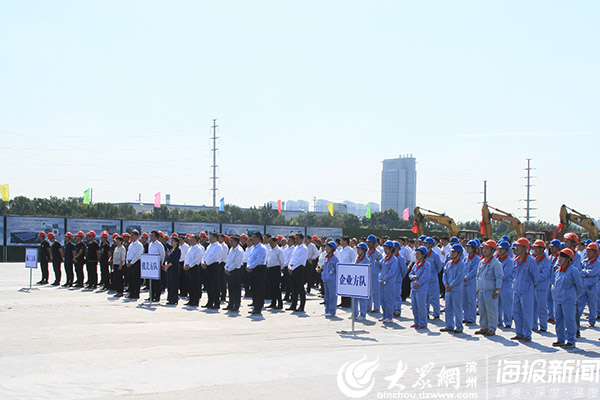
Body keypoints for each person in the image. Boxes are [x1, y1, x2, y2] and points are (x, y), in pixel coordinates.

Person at [551, 248, 583, 348]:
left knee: (570, 320)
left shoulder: (574, 271)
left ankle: (571, 340)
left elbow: (579, 286)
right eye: (560, 256)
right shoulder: (558, 272)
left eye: (563, 257)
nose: (559, 259)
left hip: (568, 300)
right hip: (558, 300)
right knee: (559, 320)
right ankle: (560, 339)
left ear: (568, 259)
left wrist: (574, 295)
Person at [511, 238, 540, 342]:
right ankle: (519, 333)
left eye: (519, 247)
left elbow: (536, 276)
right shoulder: (516, 260)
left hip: (526, 291)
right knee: (516, 312)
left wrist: (531, 286)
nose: (516, 248)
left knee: (527, 313)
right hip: (516, 289)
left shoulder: (530, 261)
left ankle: (527, 334)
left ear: (525, 249)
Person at [474, 240, 503, 336]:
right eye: (484, 248)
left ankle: (492, 328)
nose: (485, 251)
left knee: (491, 310)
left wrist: (497, 290)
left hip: (490, 291)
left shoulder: (496, 263)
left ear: (492, 250)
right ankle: (483, 327)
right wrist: (478, 287)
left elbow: (499, 277)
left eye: (487, 249)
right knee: (482, 310)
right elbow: (478, 276)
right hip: (482, 290)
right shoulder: (482, 262)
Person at [440, 244, 466, 333]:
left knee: (457, 308)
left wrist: (451, 285)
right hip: (448, 289)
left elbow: (459, 277)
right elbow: (445, 274)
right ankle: (449, 325)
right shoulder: (449, 263)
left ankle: (459, 326)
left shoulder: (461, 264)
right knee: (448, 308)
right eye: (451, 252)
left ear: (459, 253)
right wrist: (446, 284)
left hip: (456, 290)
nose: (451, 253)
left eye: (453, 252)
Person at [577, 242, 600, 332]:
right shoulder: (585, 261)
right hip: (584, 286)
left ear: (595, 252)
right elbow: (580, 271)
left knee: (592, 304)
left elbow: (593, 272)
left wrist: (584, 272)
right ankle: (577, 319)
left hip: (592, 286)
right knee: (580, 303)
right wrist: (585, 272)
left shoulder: (597, 263)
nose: (588, 253)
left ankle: (592, 321)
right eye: (587, 251)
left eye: (590, 251)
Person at [532, 240, 552, 333]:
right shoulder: (534, 259)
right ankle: (534, 326)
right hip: (533, 287)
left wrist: (535, 279)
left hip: (542, 287)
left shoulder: (546, 261)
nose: (535, 250)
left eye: (537, 248)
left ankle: (543, 326)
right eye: (534, 248)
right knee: (533, 308)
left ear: (542, 249)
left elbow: (544, 274)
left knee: (542, 307)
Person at [409, 246, 431, 329]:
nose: (416, 255)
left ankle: (423, 323)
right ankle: (416, 322)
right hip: (414, 288)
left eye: (418, 254)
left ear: (423, 255)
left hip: (421, 288)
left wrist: (418, 283)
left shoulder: (426, 265)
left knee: (421, 305)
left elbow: (425, 277)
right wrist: (412, 277)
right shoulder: (416, 264)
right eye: (416, 254)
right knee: (414, 306)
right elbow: (410, 273)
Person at [246, 232, 267, 315]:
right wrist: (248, 266)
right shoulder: (254, 248)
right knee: (254, 288)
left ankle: (258, 307)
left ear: (259, 238)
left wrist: (250, 266)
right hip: (252, 269)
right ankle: (255, 306)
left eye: (254, 237)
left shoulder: (262, 248)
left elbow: (258, 260)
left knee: (259, 289)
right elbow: (250, 258)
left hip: (259, 269)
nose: (252, 239)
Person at [379, 241, 399, 324]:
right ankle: (384, 315)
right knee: (382, 299)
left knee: (389, 299)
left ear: (391, 249)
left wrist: (385, 278)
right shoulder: (384, 258)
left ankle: (389, 316)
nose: (385, 250)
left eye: (387, 248)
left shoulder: (394, 259)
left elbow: (392, 271)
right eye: (384, 248)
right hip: (382, 281)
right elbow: (380, 267)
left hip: (389, 282)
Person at [288, 233, 308, 312]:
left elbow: (300, 261)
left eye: (298, 239)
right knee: (293, 288)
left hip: (299, 268)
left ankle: (302, 306)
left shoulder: (304, 248)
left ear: (302, 239)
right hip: (292, 268)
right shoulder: (295, 247)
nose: (296, 240)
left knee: (300, 288)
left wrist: (292, 268)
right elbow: (292, 258)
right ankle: (293, 305)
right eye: (295, 239)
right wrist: (289, 267)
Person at [496, 240, 514, 329]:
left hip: (506, 285)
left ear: (506, 250)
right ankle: (498, 321)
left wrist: (496, 277)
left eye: (502, 249)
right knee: (497, 304)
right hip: (497, 285)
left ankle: (508, 321)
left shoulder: (509, 261)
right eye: (499, 249)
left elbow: (505, 274)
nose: (499, 251)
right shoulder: (497, 259)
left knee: (507, 304)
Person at [183, 235, 205, 307]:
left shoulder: (198, 249)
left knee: (195, 285)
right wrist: (185, 264)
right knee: (189, 285)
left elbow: (197, 259)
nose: (191, 241)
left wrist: (190, 265)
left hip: (194, 268)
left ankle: (195, 301)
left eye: (192, 239)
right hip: (188, 268)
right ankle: (191, 299)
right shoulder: (190, 248)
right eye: (190, 239)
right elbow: (187, 257)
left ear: (196, 240)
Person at [423, 237, 442, 320]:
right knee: (425, 298)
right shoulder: (423, 255)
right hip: (425, 280)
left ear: (431, 245)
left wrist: (433, 274)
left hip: (433, 280)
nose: (425, 245)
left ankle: (436, 313)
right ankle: (426, 313)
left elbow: (439, 267)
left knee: (434, 297)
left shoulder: (435, 255)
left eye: (426, 244)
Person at [224, 236, 244, 312]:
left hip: (236, 271)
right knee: (231, 288)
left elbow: (236, 263)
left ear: (236, 241)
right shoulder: (231, 249)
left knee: (236, 289)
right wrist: (226, 268)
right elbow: (228, 259)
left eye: (232, 241)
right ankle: (231, 304)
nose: (230, 242)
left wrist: (229, 269)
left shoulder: (239, 250)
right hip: (229, 270)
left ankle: (236, 305)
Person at [462, 240, 481, 324]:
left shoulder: (477, 259)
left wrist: (467, 277)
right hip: (464, 282)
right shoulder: (466, 258)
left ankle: (471, 318)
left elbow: (474, 271)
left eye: (469, 247)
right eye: (466, 247)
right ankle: (466, 317)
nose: (467, 249)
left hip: (471, 282)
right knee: (464, 300)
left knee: (471, 300)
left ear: (473, 249)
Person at [202, 233, 222, 309]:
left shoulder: (218, 246)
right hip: (207, 266)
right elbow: (205, 255)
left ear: (215, 238)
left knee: (214, 285)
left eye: (211, 237)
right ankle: (210, 301)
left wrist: (207, 263)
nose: (209, 238)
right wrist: (203, 262)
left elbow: (215, 257)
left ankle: (216, 303)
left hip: (213, 266)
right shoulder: (209, 246)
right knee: (208, 285)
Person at [266, 237, 285, 309]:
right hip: (270, 269)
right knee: (271, 287)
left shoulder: (279, 250)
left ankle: (280, 303)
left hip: (276, 269)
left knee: (276, 287)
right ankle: (273, 302)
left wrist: (280, 269)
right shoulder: (270, 250)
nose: (270, 244)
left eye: (271, 243)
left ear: (275, 242)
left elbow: (282, 261)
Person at [162, 237, 181, 305]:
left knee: (174, 284)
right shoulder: (171, 249)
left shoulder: (177, 250)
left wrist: (168, 265)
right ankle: (170, 298)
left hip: (174, 268)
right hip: (169, 269)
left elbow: (175, 259)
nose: (171, 242)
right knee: (169, 284)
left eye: (173, 241)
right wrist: (166, 264)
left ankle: (174, 299)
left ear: (176, 242)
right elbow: (168, 258)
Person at [366, 235, 382, 314]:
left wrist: (377, 260)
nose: (369, 244)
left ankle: (376, 308)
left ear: (375, 243)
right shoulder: (366, 252)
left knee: (376, 292)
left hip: (375, 275)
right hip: (367, 275)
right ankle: (368, 307)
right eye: (368, 242)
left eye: (370, 242)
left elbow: (381, 266)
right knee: (368, 292)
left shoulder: (378, 253)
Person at [353, 242, 370, 320]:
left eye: (359, 249)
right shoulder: (357, 259)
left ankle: (363, 314)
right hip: (356, 281)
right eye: (357, 249)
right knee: (355, 298)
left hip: (363, 282)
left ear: (364, 250)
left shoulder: (366, 260)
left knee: (362, 299)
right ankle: (354, 313)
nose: (358, 251)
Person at [125, 230, 143, 299]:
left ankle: (136, 294)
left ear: (136, 236)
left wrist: (132, 263)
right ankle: (131, 293)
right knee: (130, 279)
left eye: (132, 235)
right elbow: (128, 253)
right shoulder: (131, 245)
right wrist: (127, 262)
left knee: (136, 279)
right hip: (129, 263)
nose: (131, 237)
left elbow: (138, 255)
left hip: (136, 263)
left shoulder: (139, 245)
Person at [547, 239, 562, 323]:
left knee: (555, 300)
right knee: (548, 300)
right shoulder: (550, 257)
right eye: (552, 247)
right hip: (549, 281)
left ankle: (556, 315)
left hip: (556, 281)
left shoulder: (560, 258)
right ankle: (551, 315)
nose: (552, 249)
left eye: (554, 247)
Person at [148, 231, 166, 302]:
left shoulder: (159, 245)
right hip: (151, 265)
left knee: (157, 282)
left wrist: (160, 263)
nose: (151, 237)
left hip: (157, 264)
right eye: (150, 236)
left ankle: (157, 297)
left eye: (152, 236)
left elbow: (162, 255)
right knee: (151, 281)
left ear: (156, 237)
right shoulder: (150, 244)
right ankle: (151, 296)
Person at [392, 241, 408, 318]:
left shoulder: (400, 258)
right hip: (390, 280)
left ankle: (397, 309)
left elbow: (404, 270)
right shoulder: (389, 258)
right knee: (390, 296)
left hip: (397, 280)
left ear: (398, 249)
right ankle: (391, 309)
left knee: (397, 295)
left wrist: (401, 277)